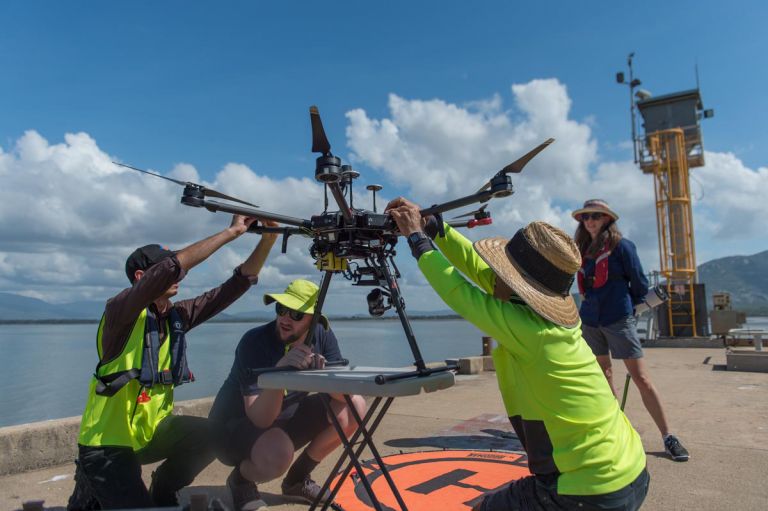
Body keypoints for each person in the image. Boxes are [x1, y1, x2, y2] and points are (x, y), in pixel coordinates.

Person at [386, 197, 649, 511]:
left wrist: (418, 240)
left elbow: (459, 292)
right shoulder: (550, 321)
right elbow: (481, 270)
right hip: (631, 468)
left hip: (587, 491)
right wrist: (436, 227)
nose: (498, 274)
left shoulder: (528, 331)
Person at [68, 215, 279, 510]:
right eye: (169, 272)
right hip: (107, 445)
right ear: (143, 278)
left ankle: (162, 489)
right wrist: (232, 232)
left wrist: (268, 238)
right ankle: (91, 486)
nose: (180, 277)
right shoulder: (120, 312)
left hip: (152, 434)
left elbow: (237, 284)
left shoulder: (176, 317)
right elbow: (174, 266)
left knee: (211, 434)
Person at [209, 279, 366, 511]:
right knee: (279, 452)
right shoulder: (255, 342)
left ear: (313, 321)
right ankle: (241, 481)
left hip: (282, 421)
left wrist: (321, 377)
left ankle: (297, 479)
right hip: (233, 429)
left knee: (355, 407)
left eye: (296, 314)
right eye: (281, 309)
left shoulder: (322, 336)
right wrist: (280, 373)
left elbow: (344, 396)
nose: (285, 318)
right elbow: (260, 418)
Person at [572, 198, 689, 462]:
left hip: (618, 319)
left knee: (641, 379)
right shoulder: (580, 250)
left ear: (607, 219)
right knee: (603, 377)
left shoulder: (622, 247)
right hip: (590, 321)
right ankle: (616, 430)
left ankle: (669, 436)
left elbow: (639, 284)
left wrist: (630, 307)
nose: (589, 220)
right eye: (585, 217)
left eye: (595, 216)